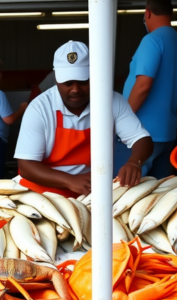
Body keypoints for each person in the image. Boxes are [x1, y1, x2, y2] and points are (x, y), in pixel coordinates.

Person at [14, 41, 153, 197]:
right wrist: (69, 180)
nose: (75, 89)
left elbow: (141, 139)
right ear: (56, 79)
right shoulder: (39, 108)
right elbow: (26, 166)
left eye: (83, 82)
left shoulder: (111, 101)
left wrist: (134, 162)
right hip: (40, 192)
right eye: (68, 83)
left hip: (87, 191)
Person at [114, 0, 177, 178]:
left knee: (126, 187)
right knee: (160, 189)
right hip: (168, 133)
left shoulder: (152, 41)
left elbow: (143, 85)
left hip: (140, 136)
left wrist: (122, 119)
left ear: (147, 13)